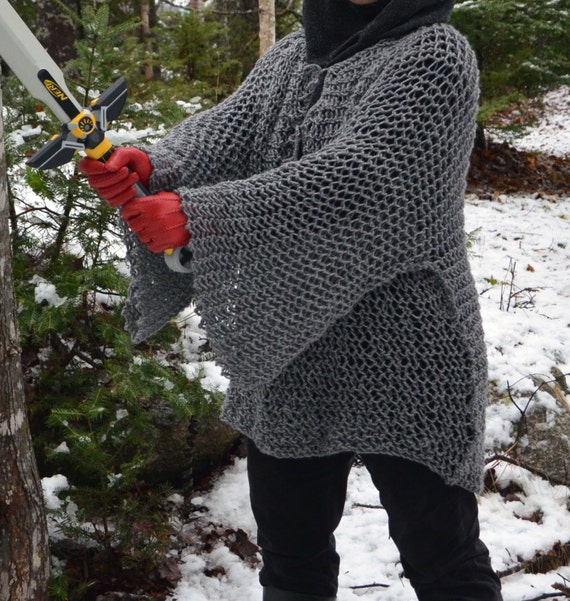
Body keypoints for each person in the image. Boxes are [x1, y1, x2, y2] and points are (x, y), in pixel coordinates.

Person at [79, 1, 504, 599]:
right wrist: (157, 166)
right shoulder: (291, 57)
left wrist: (204, 217)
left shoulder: (435, 55)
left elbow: (367, 179)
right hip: (291, 345)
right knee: (291, 557)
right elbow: (226, 133)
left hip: (409, 350)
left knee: (444, 558)